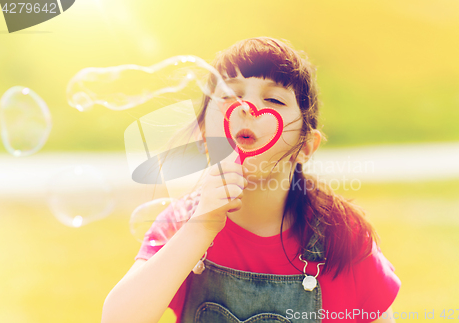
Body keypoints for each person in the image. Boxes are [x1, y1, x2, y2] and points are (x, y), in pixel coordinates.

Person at [102, 37, 401, 323]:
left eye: (273, 99)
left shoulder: (342, 237)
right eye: (230, 96)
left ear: (306, 146)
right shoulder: (184, 222)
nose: (247, 107)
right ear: (206, 136)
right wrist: (198, 231)